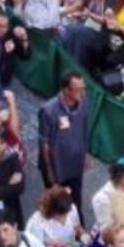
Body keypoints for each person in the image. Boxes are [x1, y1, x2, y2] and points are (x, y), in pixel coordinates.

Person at [38, 71, 89, 203]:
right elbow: (44, 143)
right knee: (58, 205)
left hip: (75, 164)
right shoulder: (48, 110)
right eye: (78, 90)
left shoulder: (84, 102)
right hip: (57, 168)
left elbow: (83, 128)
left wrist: (84, 154)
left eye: (83, 88)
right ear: (66, 90)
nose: (83, 93)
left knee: (76, 201)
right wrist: (49, 172)